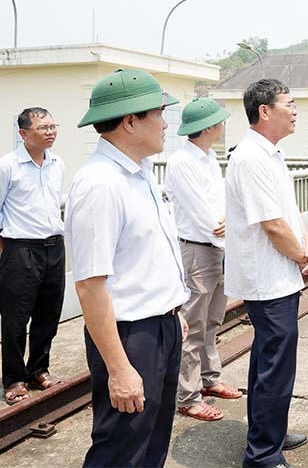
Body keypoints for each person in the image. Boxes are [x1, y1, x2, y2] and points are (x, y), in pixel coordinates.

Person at [66, 69, 190, 467]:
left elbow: (147, 258)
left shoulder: (141, 174)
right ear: (131, 121)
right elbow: (90, 285)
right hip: (130, 335)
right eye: (159, 113)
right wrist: (119, 368)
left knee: (152, 442)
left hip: (160, 326)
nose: (166, 123)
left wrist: (172, 313)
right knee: (122, 449)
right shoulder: (100, 184)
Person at [225, 78, 308, 468]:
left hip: (279, 274)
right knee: (274, 367)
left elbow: (289, 213)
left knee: (269, 361)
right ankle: (263, 454)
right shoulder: (250, 158)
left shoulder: (271, 154)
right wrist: (303, 259)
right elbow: (273, 226)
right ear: (265, 111)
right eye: (289, 104)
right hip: (267, 278)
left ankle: (268, 433)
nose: (295, 111)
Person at [165, 97, 242, 422]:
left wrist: (228, 225)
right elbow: (201, 212)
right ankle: (188, 396)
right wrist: (226, 228)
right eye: (219, 121)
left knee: (213, 320)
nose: (222, 125)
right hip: (198, 249)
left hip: (218, 248)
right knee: (194, 325)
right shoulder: (181, 162)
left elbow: (221, 202)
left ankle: (210, 379)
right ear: (209, 127)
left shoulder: (208, 157)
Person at [0, 107, 65, 404]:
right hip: (21, 249)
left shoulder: (57, 164)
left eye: (52, 126)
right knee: (15, 319)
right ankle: (14, 379)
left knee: (48, 314)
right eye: (42, 128)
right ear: (23, 133)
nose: (50, 132)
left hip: (54, 247)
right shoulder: (8, 166)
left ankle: (39, 369)